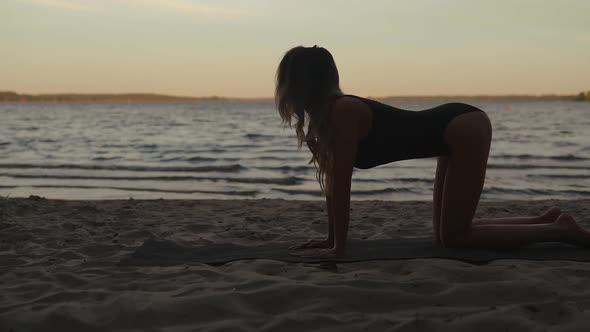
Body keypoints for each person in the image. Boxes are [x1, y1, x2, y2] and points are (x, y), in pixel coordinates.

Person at [275, 45, 590, 259]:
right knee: (446, 237)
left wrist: (338, 249)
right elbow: (333, 184)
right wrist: (331, 241)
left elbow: (343, 186)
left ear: (299, 83)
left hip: (463, 127)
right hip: (449, 131)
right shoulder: (326, 121)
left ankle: (559, 230)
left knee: (456, 238)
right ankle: (546, 218)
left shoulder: (342, 112)